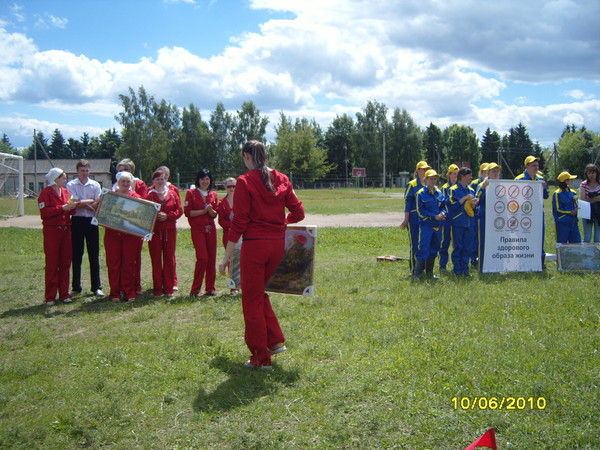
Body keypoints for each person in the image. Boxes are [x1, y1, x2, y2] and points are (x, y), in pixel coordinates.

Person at [219, 140, 304, 370]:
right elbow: (299, 212)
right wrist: (281, 223)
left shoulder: (244, 181)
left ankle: (260, 357)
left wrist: (226, 257)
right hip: (277, 246)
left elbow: (239, 221)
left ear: (247, 156)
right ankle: (274, 341)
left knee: (251, 300)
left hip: (255, 247)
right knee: (257, 294)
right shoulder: (282, 178)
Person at [38, 168, 78, 305]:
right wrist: (62, 208)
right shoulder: (45, 193)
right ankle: (50, 296)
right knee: (52, 263)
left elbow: (72, 208)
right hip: (52, 231)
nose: (65, 181)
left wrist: (73, 206)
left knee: (65, 262)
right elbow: (45, 212)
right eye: (63, 178)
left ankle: (64, 293)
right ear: (56, 179)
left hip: (66, 230)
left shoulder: (66, 192)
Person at [104, 172, 144, 302]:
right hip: (112, 234)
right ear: (118, 182)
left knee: (129, 263)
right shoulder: (110, 196)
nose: (126, 184)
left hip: (130, 235)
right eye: (123, 181)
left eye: (128, 181)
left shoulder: (136, 197)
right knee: (113, 263)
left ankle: (128, 291)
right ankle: (114, 292)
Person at [66, 159, 103, 297]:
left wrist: (82, 202)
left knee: (94, 255)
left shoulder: (95, 185)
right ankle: (76, 287)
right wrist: (89, 202)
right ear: (77, 171)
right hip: (77, 221)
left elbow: (98, 202)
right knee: (77, 255)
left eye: (87, 171)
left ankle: (96, 287)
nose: (85, 173)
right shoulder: (71, 184)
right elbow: (73, 203)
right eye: (82, 171)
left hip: (92, 221)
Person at [146, 169, 183, 297]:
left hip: (169, 230)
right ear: (153, 182)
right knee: (156, 259)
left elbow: (179, 210)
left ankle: (169, 288)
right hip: (155, 231)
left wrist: (168, 216)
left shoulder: (172, 194)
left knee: (169, 258)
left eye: (162, 179)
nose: (160, 181)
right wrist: (156, 217)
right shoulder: (149, 195)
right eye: (157, 179)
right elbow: (145, 213)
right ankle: (157, 288)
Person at [114, 158, 146, 294]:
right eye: (120, 171)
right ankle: (119, 287)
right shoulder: (115, 186)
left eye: (125, 170)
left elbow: (144, 205)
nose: (122, 173)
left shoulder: (139, 184)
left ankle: (135, 285)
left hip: (133, 227)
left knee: (133, 258)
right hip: (117, 228)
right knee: (118, 259)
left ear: (131, 171)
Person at [185, 169, 219, 296]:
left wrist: (209, 211)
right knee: (202, 258)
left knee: (211, 259)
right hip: (198, 229)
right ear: (198, 180)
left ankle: (210, 288)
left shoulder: (213, 194)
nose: (205, 181)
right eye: (202, 179)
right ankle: (195, 289)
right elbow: (188, 213)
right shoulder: (191, 193)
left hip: (210, 229)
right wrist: (203, 211)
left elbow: (215, 214)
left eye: (207, 179)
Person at [515, 156, 549, 267]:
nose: (536, 167)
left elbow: (546, 196)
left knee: (539, 237)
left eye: (537, 166)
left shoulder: (540, 179)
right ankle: (522, 262)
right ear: (527, 166)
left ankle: (540, 262)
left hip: (538, 214)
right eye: (533, 165)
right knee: (523, 238)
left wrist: (544, 188)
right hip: (523, 214)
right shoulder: (519, 179)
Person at [414, 169, 446, 280]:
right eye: (431, 178)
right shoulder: (420, 194)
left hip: (438, 225)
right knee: (424, 248)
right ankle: (417, 274)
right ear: (425, 179)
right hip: (427, 225)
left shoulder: (439, 193)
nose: (433, 181)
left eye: (435, 179)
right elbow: (421, 211)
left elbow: (443, 206)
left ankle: (429, 273)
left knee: (435, 248)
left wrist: (443, 213)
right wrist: (434, 216)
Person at [400, 161, 431, 275]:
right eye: (423, 169)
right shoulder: (412, 185)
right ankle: (415, 270)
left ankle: (425, 269)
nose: (425, 171)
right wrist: (406, 220)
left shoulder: (429, 185)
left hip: (427, 220)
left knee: (426, 244)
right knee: (415, 244)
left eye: (427, 169)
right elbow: (408, 204)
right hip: (414, 219)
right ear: (417, 171)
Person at [448, 167, 479, 277]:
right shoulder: (453, 189)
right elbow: (452, 205)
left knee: (468, 247)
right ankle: (457, 271)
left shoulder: (471, 190)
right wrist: (465, 198)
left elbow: (473, 208)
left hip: (470, 222)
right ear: (462, 176)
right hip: (458, 223)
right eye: (469, 175)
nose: (471, 177)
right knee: (458, 247)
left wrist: (474, 204)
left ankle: (465, 271)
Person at [475, 162, 502, 269]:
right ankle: (482, 266)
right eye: (493, 171)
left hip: (498, 218)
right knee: (483, 242)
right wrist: (483, 187)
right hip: (484, 217)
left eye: (497, 171)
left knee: (496, 242)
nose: (496, 174)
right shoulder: (483, 184)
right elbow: (477, 199)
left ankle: (496, 265)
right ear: (488, 173)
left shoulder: (502, 185)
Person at [218, 177, 239, 293]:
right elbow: (221, 221)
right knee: (230, 258)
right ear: (225, 187)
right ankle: (233, 286)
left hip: (241, 234)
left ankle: (241, 282)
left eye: (234, 186)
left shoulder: (242, 201)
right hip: (228, 234)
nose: (231, 189)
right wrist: (232, 225)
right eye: (229, 186)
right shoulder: (222, 203)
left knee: (241, 258)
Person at [439, 164, 459, 271]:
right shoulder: (444, 188)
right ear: (449, 175)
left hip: (458, 219)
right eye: (454, 174)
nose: (456, 176)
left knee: (457, 243)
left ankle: (457, 264)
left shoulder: (460, 187)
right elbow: (442, 204)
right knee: (445, 242)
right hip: (447, 219)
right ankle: (443, 264)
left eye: (457, 174)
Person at [469, 163, 489, 267]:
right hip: (475, 214)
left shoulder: (492, 182)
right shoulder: (475, 183)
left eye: (487, 171)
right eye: (485, 171)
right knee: (475, 238)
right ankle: (473, 259)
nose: (486, 173)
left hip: (487, 214)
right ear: (481, 172)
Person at [552, 171, 581, 244]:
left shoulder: (573, 192)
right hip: (562, 223)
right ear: (565, 181)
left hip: (573, 223)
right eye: (570, 179)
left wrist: (577, 209)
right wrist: (570, 212)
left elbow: (576, 204)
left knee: (577, 244)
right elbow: (557, 209)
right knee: (562, 244)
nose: (572, 180)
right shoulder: (557, 193)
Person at [579, 163, 600, 243]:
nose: (591, 175)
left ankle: (597, 254)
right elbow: (583, 199)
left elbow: (587, 198)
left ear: (597, 173)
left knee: (598, 237)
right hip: (587, 212)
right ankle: (585, 254)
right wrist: (597, 198)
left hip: (598, 213)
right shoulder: (583, 184)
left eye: (593, 173)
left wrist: (591, 198)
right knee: (587, 236)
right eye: (589, 173)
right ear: (586, 174)